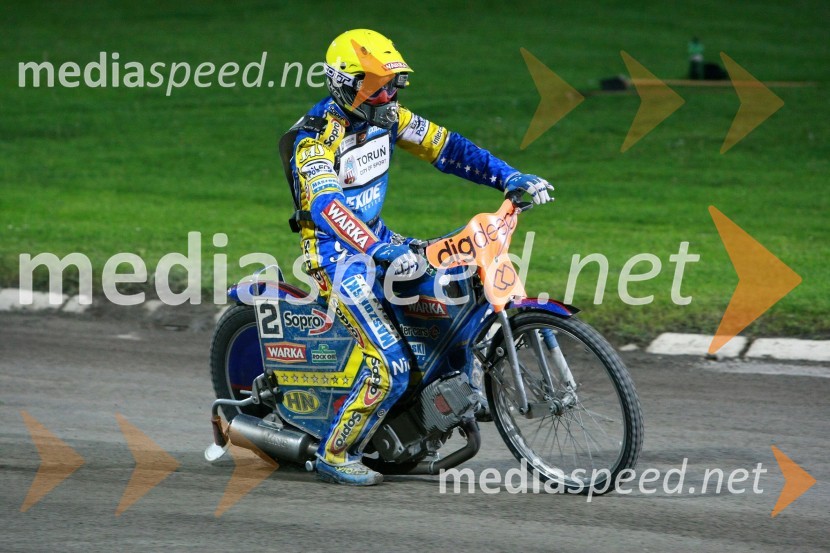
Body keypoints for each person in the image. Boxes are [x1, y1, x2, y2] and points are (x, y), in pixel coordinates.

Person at [286, 28, 554, 485]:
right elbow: (327, 206)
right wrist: (378, 250)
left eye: (392, 85)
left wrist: (511, 177)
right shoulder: (313, 140)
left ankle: (441, 399)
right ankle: (335, 453)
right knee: (389, 366)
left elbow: (449, 149)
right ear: (343, 84)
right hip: (336, 258)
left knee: (455, 290)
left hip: (378, 240)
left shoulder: (386, 118)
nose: (387, 95)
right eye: (376, 87)